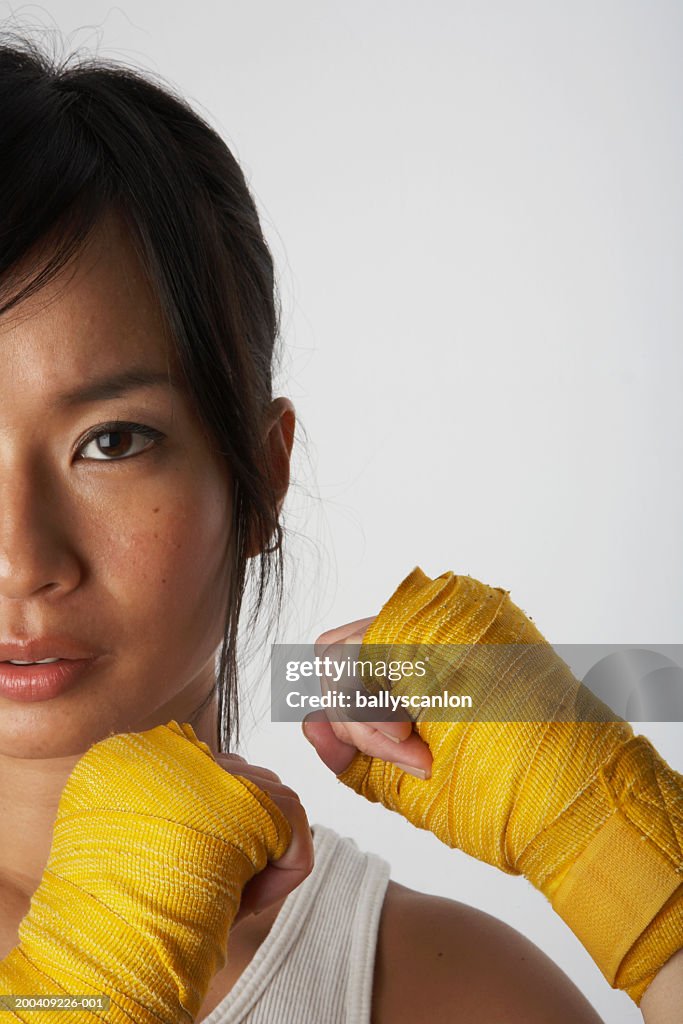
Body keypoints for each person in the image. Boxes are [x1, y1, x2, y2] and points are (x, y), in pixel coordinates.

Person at [0, 34, 680, 1024]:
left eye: (112, 440)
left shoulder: (441, 990)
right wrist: (85, 994)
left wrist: (630, 871)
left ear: (260, 479)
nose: (21, 557)